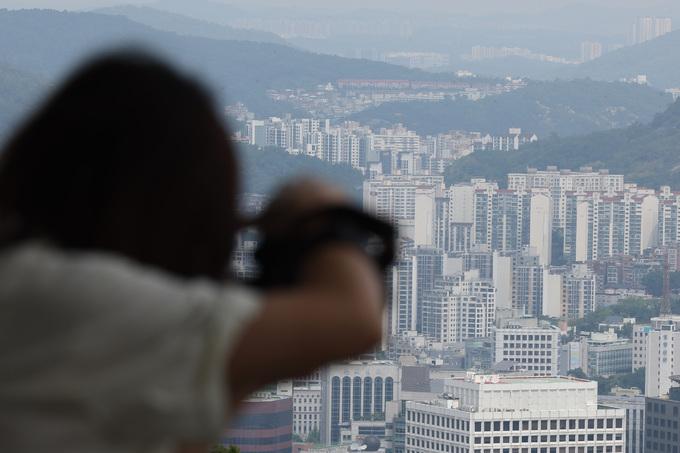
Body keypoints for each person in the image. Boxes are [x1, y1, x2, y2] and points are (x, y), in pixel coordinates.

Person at [0, 52, 387, 453]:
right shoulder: (71, 297)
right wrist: (324, 215)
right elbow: (354, 323)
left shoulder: (26, 278)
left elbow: (182, 439)